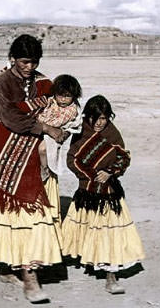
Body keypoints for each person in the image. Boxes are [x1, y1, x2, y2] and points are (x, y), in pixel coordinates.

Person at [0, 34, 67, 304]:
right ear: (12, 59)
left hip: (37, 151)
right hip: (7, 151)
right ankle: (29, 278)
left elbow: (59, 104)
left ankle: (15, 266)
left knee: (34, 211)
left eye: (34, 61)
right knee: (17, 210)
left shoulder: (43, 82)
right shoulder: (0, 82)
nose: (29, 67)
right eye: (24, 61)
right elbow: (10, 117)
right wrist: (46, 127)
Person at [61, 95, 145, 294]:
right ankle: (90, 261)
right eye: (95, 118)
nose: (99, 123)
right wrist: (91, 176)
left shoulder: (112, 133)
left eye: (104, 119)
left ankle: (111, 277)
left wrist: (109, 173)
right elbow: (72, 159)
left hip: (109, 192)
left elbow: (123, 157)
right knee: (89, 230)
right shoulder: (81, 131)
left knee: (109, 233)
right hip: (87, 192)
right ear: (87, 117)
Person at [35, 74, 83, 181]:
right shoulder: (52, 101)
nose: (63, 99)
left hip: (55, 133)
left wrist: (42, 122)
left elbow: (57, 123)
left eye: (67, 96)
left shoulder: (71, 109)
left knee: (42, 149)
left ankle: (45, 169)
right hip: (45, 128)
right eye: (60, 95)